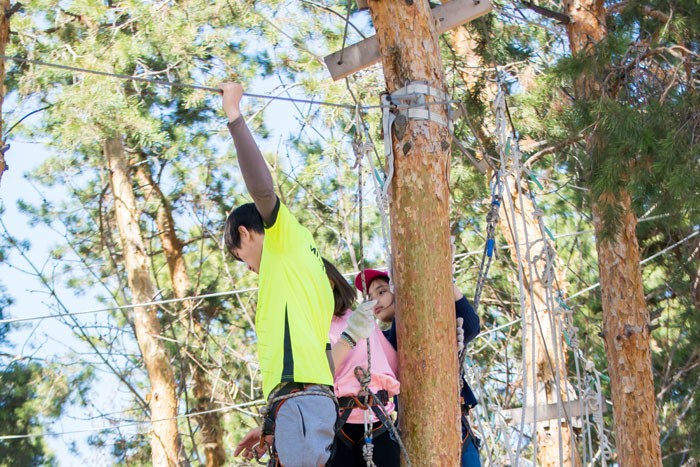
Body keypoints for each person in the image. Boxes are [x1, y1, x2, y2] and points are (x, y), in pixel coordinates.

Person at [220, 82, 337, 467]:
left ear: (245, 232)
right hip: (301, 406)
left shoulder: (283, 238)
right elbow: (317, 355)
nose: (250, 268)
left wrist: (234, 116)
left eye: (243, 258)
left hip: (302, 405)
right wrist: (275, 421)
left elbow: (263, 190)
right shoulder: (302, 268)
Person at [354, 269, 482, 466]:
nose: (375, 302)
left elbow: (471, 326)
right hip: (414, 432)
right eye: (370, 297)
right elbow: (399, 347)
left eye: (381, 292)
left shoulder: (434, 324)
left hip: (457, 427)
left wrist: (444, 277)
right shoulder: (382, 341)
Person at [323, 259, 401, 467]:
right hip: (341, 425)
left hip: (377, 419)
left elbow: (396, 365)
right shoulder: (313, 329)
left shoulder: (361, 319)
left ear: (329, 284)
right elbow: (317, 376)